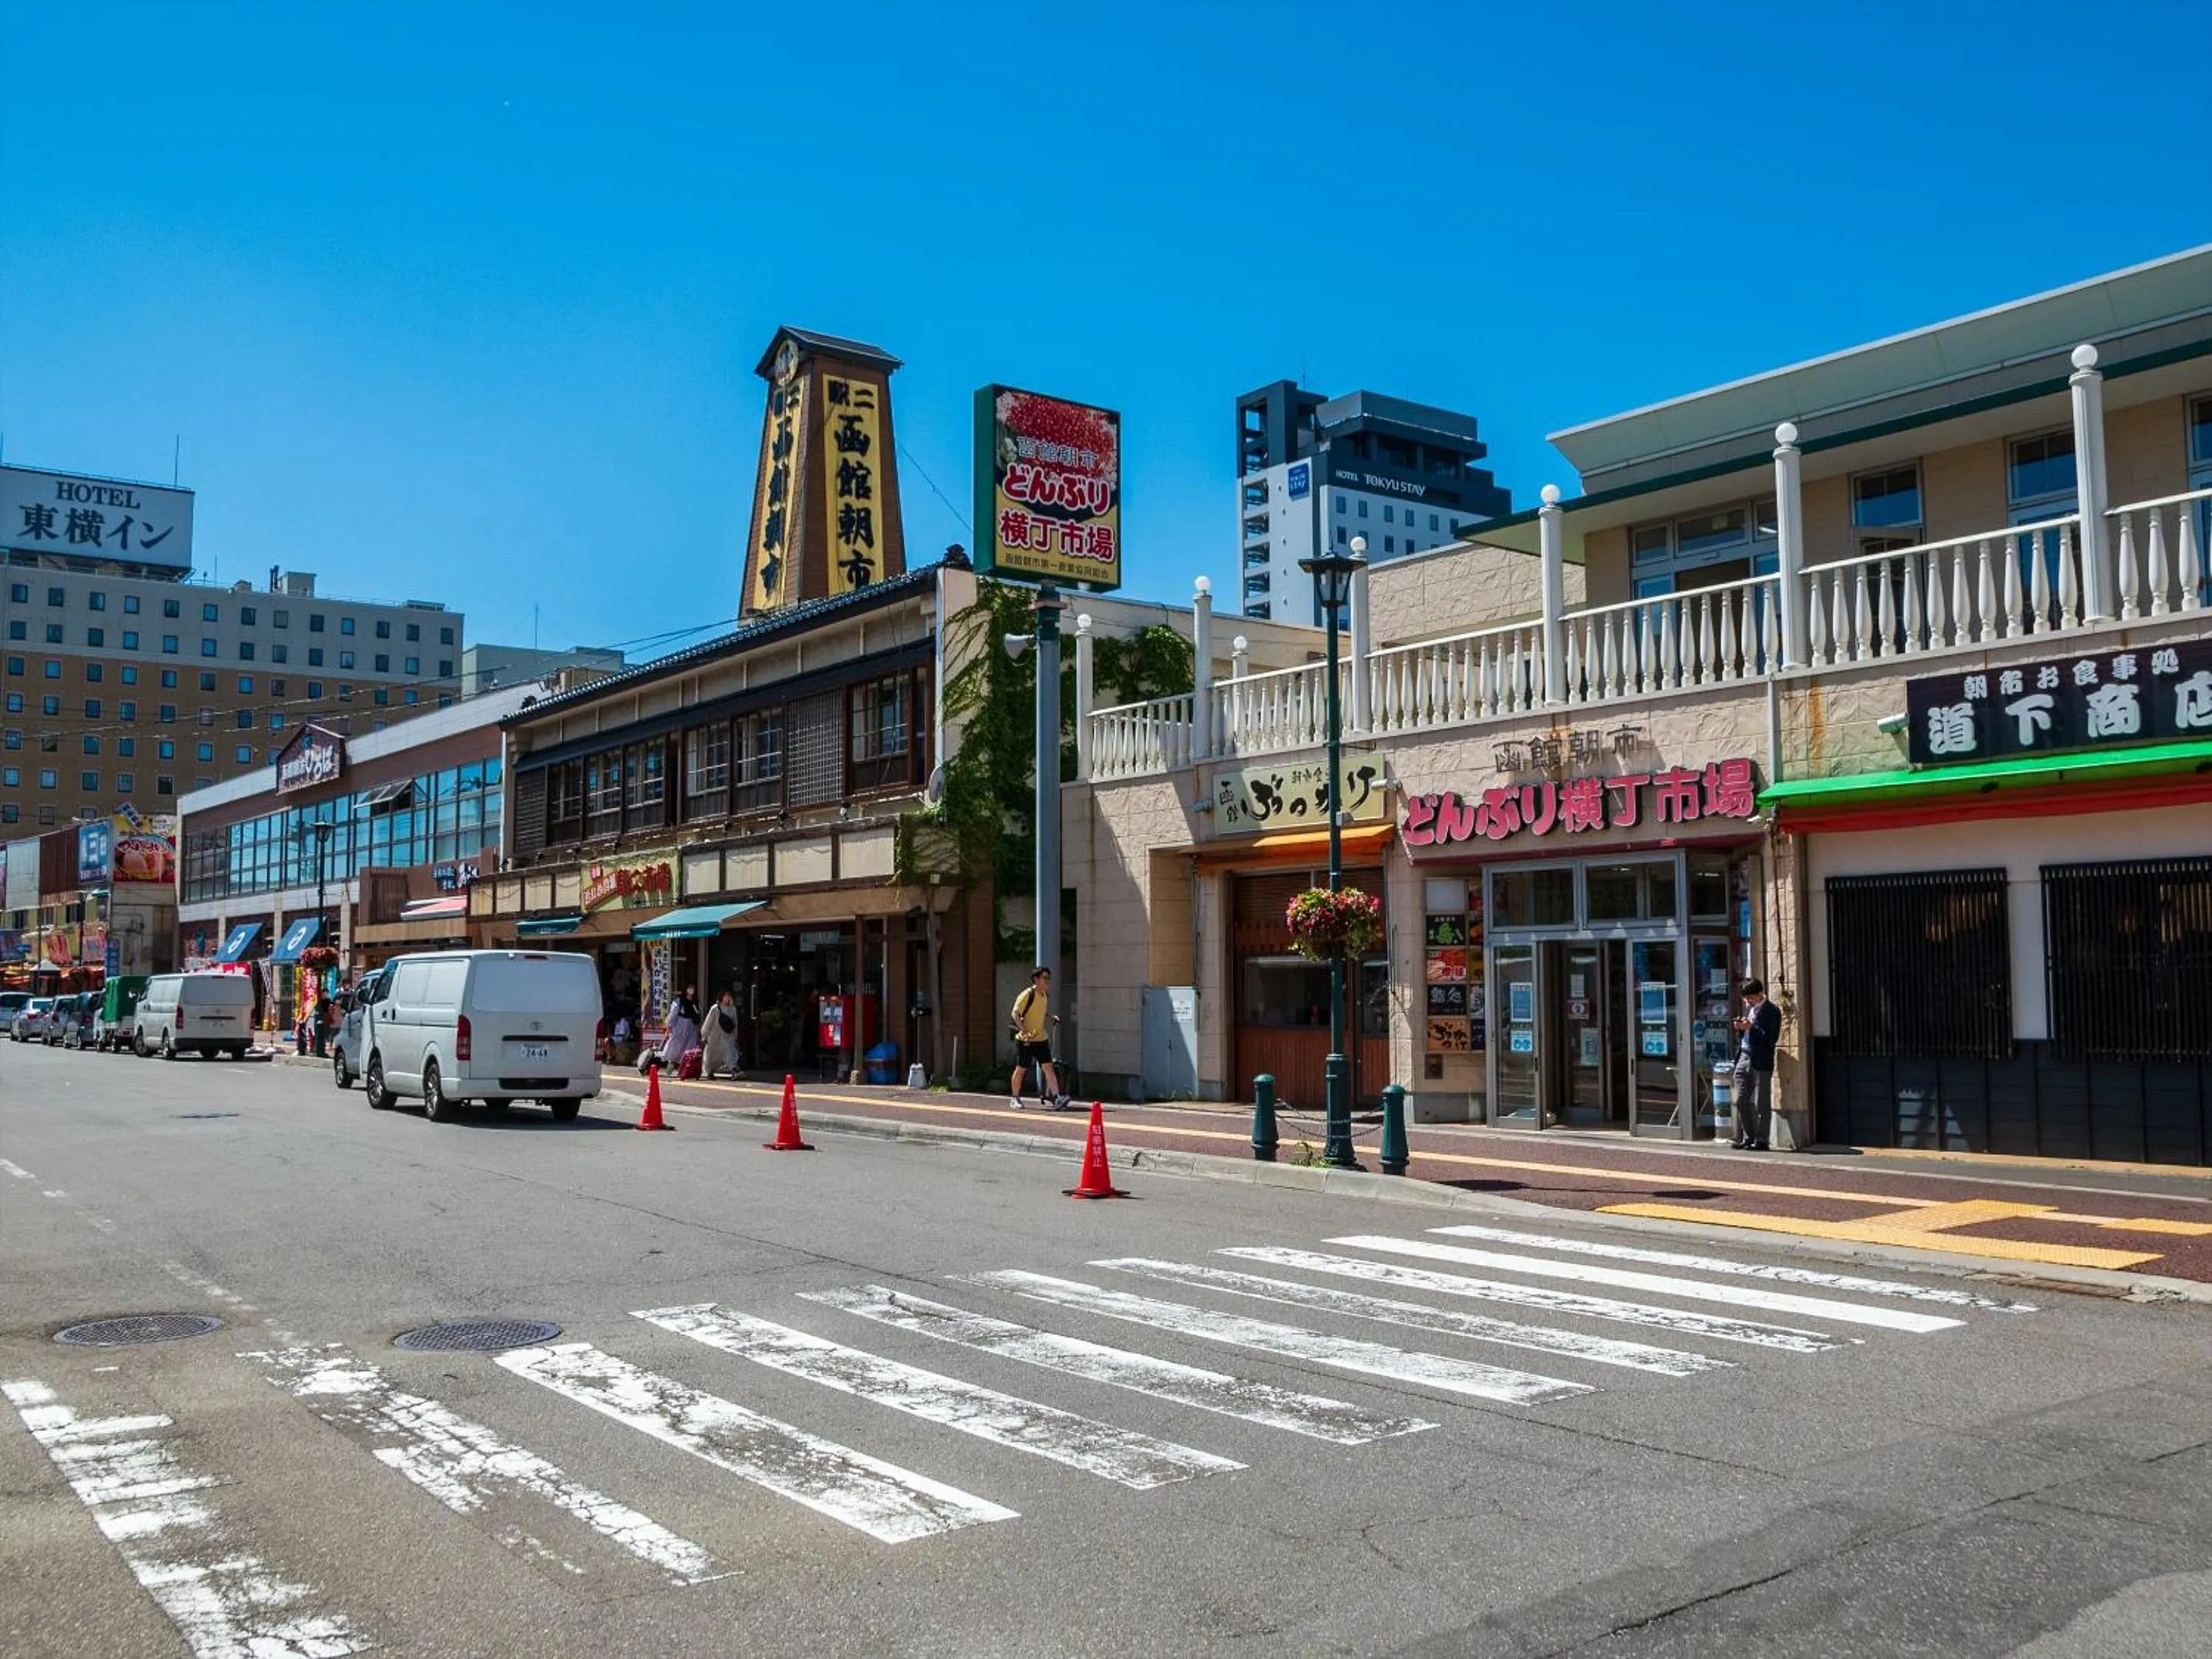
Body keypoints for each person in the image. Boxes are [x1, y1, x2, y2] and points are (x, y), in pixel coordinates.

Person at [1730, 977, 1783, 1150]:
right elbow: (1747, 1036)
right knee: (1740, 1099)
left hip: (1761, 1059)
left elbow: (1771, 1039)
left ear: (1760, 994)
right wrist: (1741, 1029)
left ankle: (1761, 1140)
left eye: (1751, 998)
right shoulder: (1749, 1009)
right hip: (1744, 1056)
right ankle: (1748, 1137)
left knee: (1762, 1102)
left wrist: (1751, 1027)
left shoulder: (1772, 1011)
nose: (1748, 1002)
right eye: (1746, 999)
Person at [1008, 966, 1069, 1111]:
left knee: (1048, 1068)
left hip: (1041, 1038)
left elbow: (1040, 1011)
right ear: (1036, 979)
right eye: (1045, 978)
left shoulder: (1044, 995)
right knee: (1021, 1069)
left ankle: (1057, 1098)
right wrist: (1023, 1031)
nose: (1048, 981)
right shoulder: (1027, 994)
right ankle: (1015, 1098)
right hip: (1026, 1040)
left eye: (1049, 978)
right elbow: (1015, 1014)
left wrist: (1050, 1017)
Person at [656, 985, 703, 1073]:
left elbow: (698, 1015)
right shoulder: (679, 1001)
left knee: (689, 1047)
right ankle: (671, 1062)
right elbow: (673, 1014)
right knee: (675, 1046)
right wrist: (669, 1027)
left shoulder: (696, 1002)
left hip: (692, 1027)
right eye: (689, 988)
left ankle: (683, 1067)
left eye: (693, 988)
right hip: (680, 1025)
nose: (691, 990)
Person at [700, 989, 741, 1079]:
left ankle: (734, 1069)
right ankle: (710, 1071)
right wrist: (705, 1035)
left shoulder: (732, 1009)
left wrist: (735, 1036)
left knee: (729, 1052)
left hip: (727, 1036)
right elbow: (708, 1022)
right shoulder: (715, 1008)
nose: (727, 998)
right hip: (715, 1035)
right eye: (725, 996)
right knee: (712, 1054)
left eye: (728, 996)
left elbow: (735, 1023)